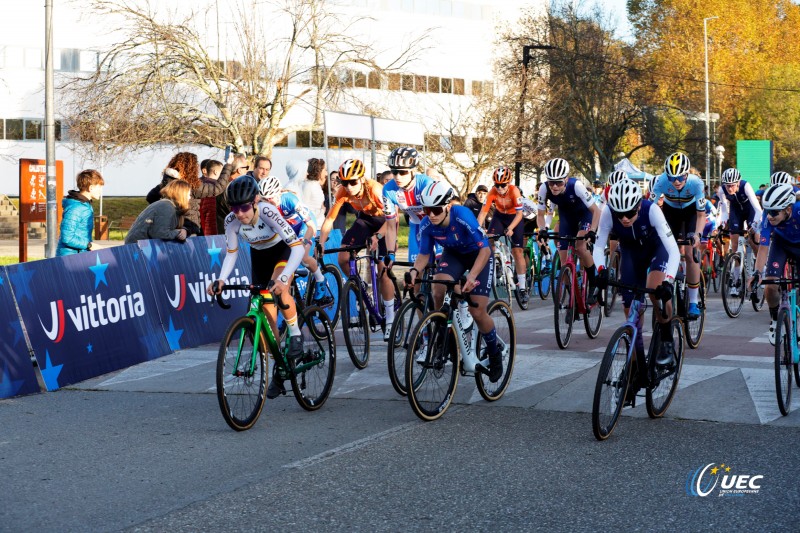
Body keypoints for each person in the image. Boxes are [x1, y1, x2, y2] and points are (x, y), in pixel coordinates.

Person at [206, 176, 306, 399]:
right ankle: (281, 367)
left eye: (244, 207)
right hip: (259, 256)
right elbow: (232, 253)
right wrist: (221, 280)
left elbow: (297, 248)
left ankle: (296, 333)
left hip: (282, 250)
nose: (240, 213)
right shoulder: (231, 220)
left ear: (255, 201)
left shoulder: (268, 212)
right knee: (267, 318)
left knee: (279, 288)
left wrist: (284, 278)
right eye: (234, 208)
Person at [406, 182, 505, 382]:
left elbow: (485, 250)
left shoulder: (462, 216)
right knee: (438, 286)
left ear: (447, 206)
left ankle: (495, 354)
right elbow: (424, 254)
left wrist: (472, 276)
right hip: (455, 255)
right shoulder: (427, 224)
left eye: (435, 210)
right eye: (426, 210)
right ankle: (443, 331)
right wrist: (415, 271)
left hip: (480, 256)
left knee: (477, 310)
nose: (431, 215)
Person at [594, 179, 680, 375]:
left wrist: (668, 281)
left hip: (657, 248)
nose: (624, 219)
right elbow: (599, 246)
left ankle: (667, 340)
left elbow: (673, 250)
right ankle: (636, 364)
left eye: (630, 213)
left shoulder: (652, 210)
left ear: (638, 206)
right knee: (631, 311)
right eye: (620, 214)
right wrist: (601, 269)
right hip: (632, 253)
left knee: (656, 290)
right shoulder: (608, 211)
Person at [318, 159, 395, 337]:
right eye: (345, 182)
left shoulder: (375, 190)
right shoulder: (343, 192)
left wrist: (378, 236)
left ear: (361, 179)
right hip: (366, 220)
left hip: (385, 223)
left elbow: (393, 220)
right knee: (343, 258)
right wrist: (321, 242)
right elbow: (329, 219)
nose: (349, 187)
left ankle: (390, 318)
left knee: (383, 271)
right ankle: (361, 288)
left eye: (353, 182)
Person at [536, 158, 602, 304]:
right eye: (551, 182)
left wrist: (592, 230)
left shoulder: (576, 185)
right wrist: (542, 229)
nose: (554, 186)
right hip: (566, 217)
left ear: (566, 178)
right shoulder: (544, 188)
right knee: (564, 260)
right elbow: (540, 215)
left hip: (585, 216)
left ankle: (593, 283)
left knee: (580, 246)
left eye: (558, 182)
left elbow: (596, 211)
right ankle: (573, 296)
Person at [649, 152, 707, 319]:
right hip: (670, 213)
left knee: (690, 254)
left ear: (687, 174)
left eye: (681, 178)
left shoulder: (696, 184)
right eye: (672, 177)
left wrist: (697, 234)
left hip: (690, 214)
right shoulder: (660, 181)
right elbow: (650, 207)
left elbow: (701, 215)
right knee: (665, 250)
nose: (676, 182)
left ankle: (694, 302)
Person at [258, 175, 332, 306]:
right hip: (288, 231)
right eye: (265, 199)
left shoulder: (289, 200)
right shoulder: (263, 207)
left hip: (304, 226)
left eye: (271, 199)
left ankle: (320, 280)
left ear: (278, 193)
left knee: (302, 256)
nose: (269, 203)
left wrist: (303, 242)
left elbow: (311, 226)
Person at [750, 183, 800, 344]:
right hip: (781, 245)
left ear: (788, 209)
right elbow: (763, 248)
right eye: (767, 210)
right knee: (770, 285)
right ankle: (775, 319)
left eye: (774, 212)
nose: (769, 216)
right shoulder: (767, 217)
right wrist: (757, 273)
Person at [147, 151, 233, 236]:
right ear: (191, 168)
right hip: (188, 228)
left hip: (169, 227)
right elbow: (217, 188)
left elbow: (150, 197)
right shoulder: (191, 186)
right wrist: (228, 165)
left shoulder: (166, 183)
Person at [478, 167, 529, 304]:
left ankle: (523, 288)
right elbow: (483, 213)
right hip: (499, 216)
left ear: (509, 183)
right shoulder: (492, 192)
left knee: (517, 252)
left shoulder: (514, 191)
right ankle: (497, 264)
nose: (499, 188)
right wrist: (476, 229)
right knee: (489, 239)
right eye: (497, 185)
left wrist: (511, 228)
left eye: (503, 185)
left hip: (514, 218)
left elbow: (519, 214)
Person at [382, 147, 436, 269]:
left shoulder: (426, 184)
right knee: (415, 270)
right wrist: (390, 253)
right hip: (416, 226)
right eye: (394, 172)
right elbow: (390, 226)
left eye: (403, 172)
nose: (397, 177)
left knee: (442, 269)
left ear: (413, 170)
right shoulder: (388, 190)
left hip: (437, 226)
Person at [716, 167, 762, 297]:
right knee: (735, 247)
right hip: (736, 211)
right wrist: (723, 223)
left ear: (738, 183)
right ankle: (736, 282)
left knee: (754, 241)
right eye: (727, 186)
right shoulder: (722, 190)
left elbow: (758, 209)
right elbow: (725, 210)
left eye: (732, 185)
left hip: (750, 210)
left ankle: (760, 270)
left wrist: (754, 224)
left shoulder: (746, 186)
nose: (729, 189)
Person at [124, 180, 190, 244]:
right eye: (188, 194)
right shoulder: (166, 207)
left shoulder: (169, 206)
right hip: (137, 247)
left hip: (143, 245)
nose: (189, 198)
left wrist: (183, 230)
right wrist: (178, 232)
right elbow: (159, 234)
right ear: (181, 194)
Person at [56, 169, 105, 256]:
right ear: (91, 188)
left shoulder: (85, 205)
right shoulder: (76, 208)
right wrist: (89, 245)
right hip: (70, 259)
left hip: (79, 255)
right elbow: (67, 237)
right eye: (99, 187)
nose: (101, 191)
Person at [294, 158, 326, 224]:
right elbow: (304, 210)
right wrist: (322, 210)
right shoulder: (308, 185)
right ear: (319, 171)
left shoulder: (316, 184)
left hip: (319, 224)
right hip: (312, 226)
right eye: (325, 170)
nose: (326, 173)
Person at [200, 160, 223, 235]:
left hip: (200, 229)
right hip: (211, 234)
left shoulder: (201, 185)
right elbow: (210, 216)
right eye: (222, 171)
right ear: (216, 172)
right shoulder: (213, 189)